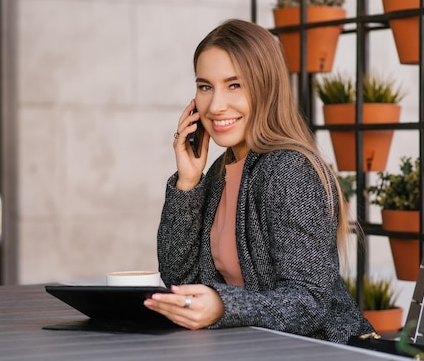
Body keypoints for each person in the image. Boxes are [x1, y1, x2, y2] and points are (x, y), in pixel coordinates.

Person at [143, 18, 374, 344]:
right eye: (205, 86)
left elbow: (309, 301)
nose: (216, 105)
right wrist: (188, 182)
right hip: (254, 347)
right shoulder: (220, 172)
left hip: (322, 350)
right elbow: (180, 279)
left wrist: (224, 306)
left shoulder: (289, 170)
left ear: (266, 87)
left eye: (234, 85)